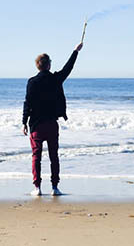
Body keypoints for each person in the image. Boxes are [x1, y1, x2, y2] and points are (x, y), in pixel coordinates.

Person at [22, 42, 83, 196]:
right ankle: (55, 188)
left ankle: (37, 188)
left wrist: (24, 122)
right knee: (53, 156)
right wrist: (75, 51)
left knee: (36, 157)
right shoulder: (56, 79)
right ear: (48, 65)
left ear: (37, 66)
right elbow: (68, 68)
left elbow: (27, 103)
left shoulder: (32, 82)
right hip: (51, 124)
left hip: (36, 125)